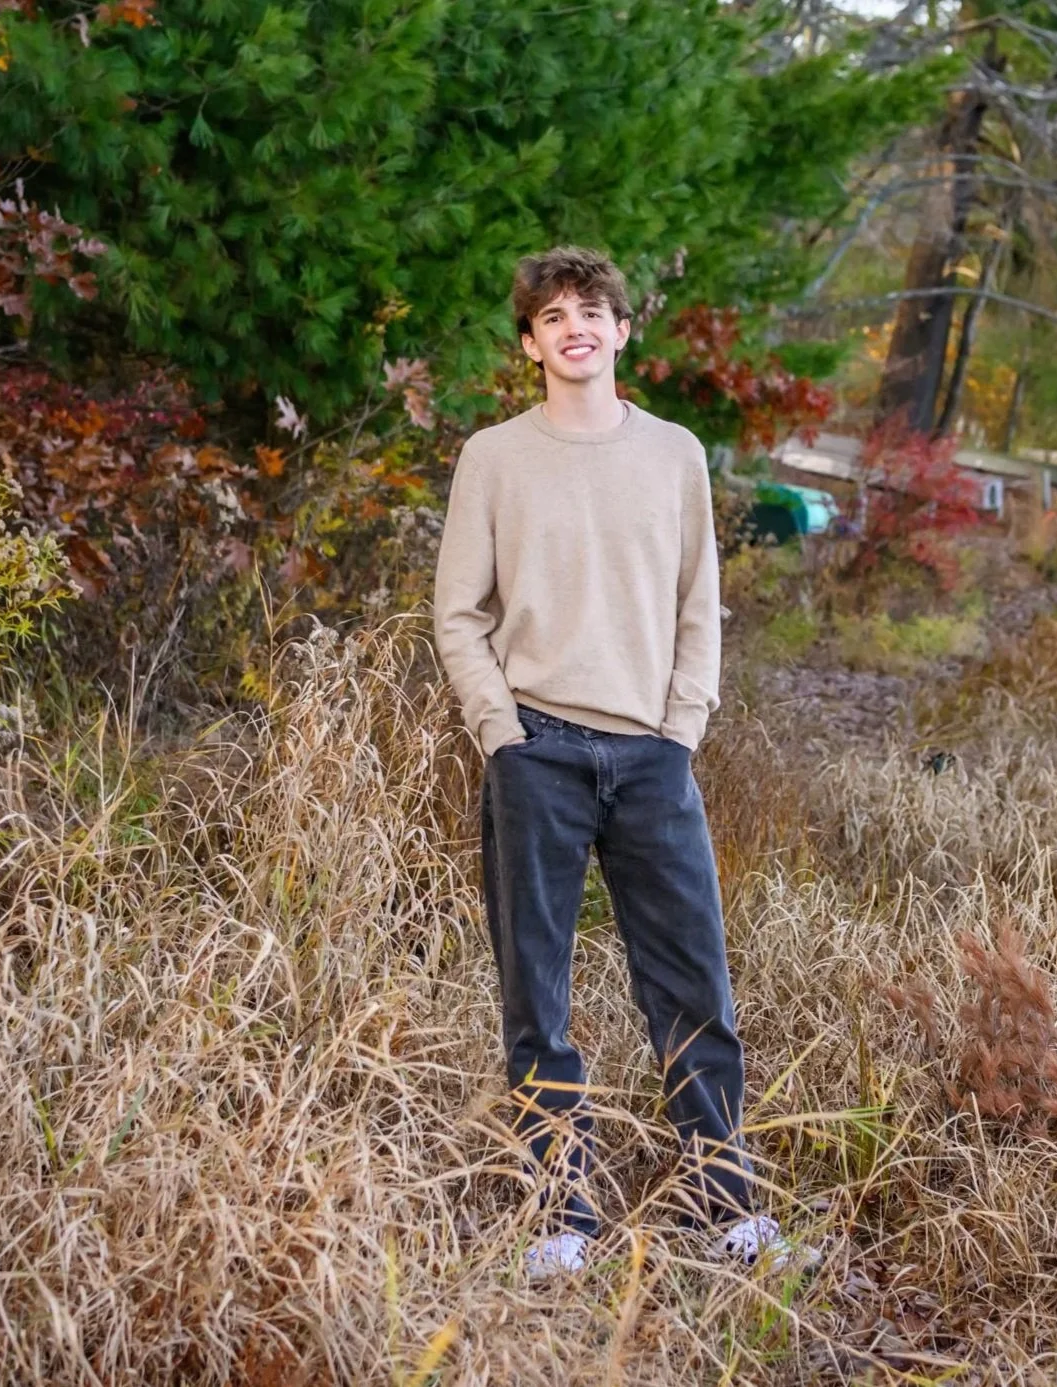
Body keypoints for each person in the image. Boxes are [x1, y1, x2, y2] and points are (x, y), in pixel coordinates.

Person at [433, 246, 813, 1282]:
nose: (574, 328)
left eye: (592, 311)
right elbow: (457, 614)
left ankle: (723, 1200)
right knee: (536, 998)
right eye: (552, 315)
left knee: (693, 985)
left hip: (651, 757)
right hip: (537, 754)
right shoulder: (493, 458)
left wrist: (682, 724)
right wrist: (498, 734)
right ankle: (563, 1213)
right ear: (529, 343)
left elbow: (700, 602)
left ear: (621, 330)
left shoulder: (675, 454)